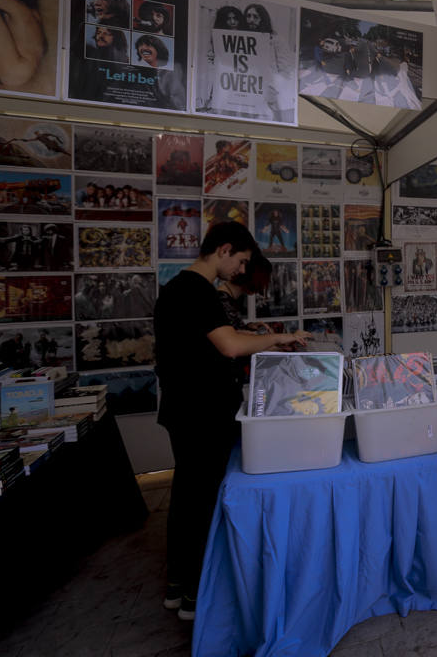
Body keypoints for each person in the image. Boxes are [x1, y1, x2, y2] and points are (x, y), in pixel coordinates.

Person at [154, 222, 307, 622]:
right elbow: (230, 345)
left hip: (185, 409)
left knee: (187, 497)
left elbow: (219, 338)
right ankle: (196, 594)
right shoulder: (198, 290)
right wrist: (279, 338)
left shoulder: (176, 289)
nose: (240, 270)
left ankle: (179, 585)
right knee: (202, 500)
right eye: (240, 261)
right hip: (201, 412)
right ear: (223, 250)